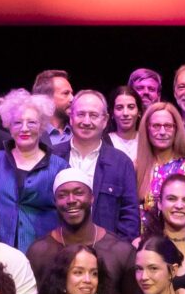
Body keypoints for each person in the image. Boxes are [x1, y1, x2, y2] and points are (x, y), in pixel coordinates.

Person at [0, 89, 64, 255]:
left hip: (45, 256)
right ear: (8, 125)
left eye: (32, 123)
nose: (24, 129)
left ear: (42, 125)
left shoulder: (59, 167)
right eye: (17, 123)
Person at [27, 165, 137, 288]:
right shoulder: (39, 252)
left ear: (92, 198)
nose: (71, 200)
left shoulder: (120, 252)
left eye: (78, 193)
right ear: (55, 202)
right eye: (62, 195)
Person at [58, 88, 141, 241]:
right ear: (71, 118)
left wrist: (117, 251)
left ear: (105, 120)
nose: (86, 121)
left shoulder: (121, 163)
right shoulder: (53, 157)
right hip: (59, 249)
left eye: (93, 115)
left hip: (106, 251)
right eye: (81, 114)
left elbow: (129, 216)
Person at [31, 68, 75, 151]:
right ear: (47, 97)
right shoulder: (30, 133)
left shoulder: (79, 131)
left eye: (72, 93)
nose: (73, 98)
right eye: (66, 93)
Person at [109, 85, 146, 164]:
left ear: (139, 112)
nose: (125, 113)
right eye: (119, 108)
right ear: (112, 113)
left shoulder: (147, 140)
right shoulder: (103, 142)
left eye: (131, 107)